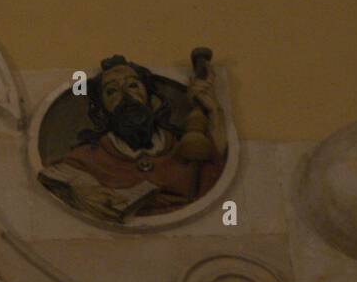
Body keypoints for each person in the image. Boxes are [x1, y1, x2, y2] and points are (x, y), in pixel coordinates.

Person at [38, 55, 226, 220]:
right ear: (102, 112)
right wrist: (78, 190)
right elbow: (54, 178)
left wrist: (214, 112)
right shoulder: (87, 157)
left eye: (133, 85)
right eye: (111, 91)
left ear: (153, 101)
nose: (125, 95)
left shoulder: (185, 149)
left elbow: (215, 171)